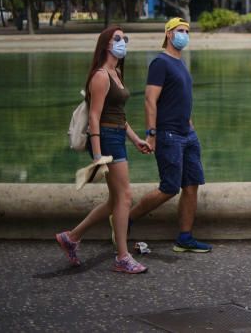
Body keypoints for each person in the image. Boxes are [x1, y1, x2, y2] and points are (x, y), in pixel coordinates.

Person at [55, 26, 152, 273]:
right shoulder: (100, 76)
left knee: (115, 200)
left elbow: (119, 115)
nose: (123, 42)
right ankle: (122, 257)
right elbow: (95, 117)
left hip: (117, 135)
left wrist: (136, 139)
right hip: (106, 139)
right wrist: (98, 155)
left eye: (125, 39)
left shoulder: (116, 72)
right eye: (117, 38)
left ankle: (72, 237)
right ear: (106, 45)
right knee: (125, 197)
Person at [127, 17, 212, 252]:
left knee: (192, 185)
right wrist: (151, 134)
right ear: (169, 34)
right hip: (169, 135)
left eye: (187, 30)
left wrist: (191, 126)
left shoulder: (179, 63)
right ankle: (125, 221)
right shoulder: (160, 63)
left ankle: (185, 238)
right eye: (180, 30)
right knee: (169, 187)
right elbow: (149, 100)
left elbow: (180, 99)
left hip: (188, 135)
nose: (184, 34)